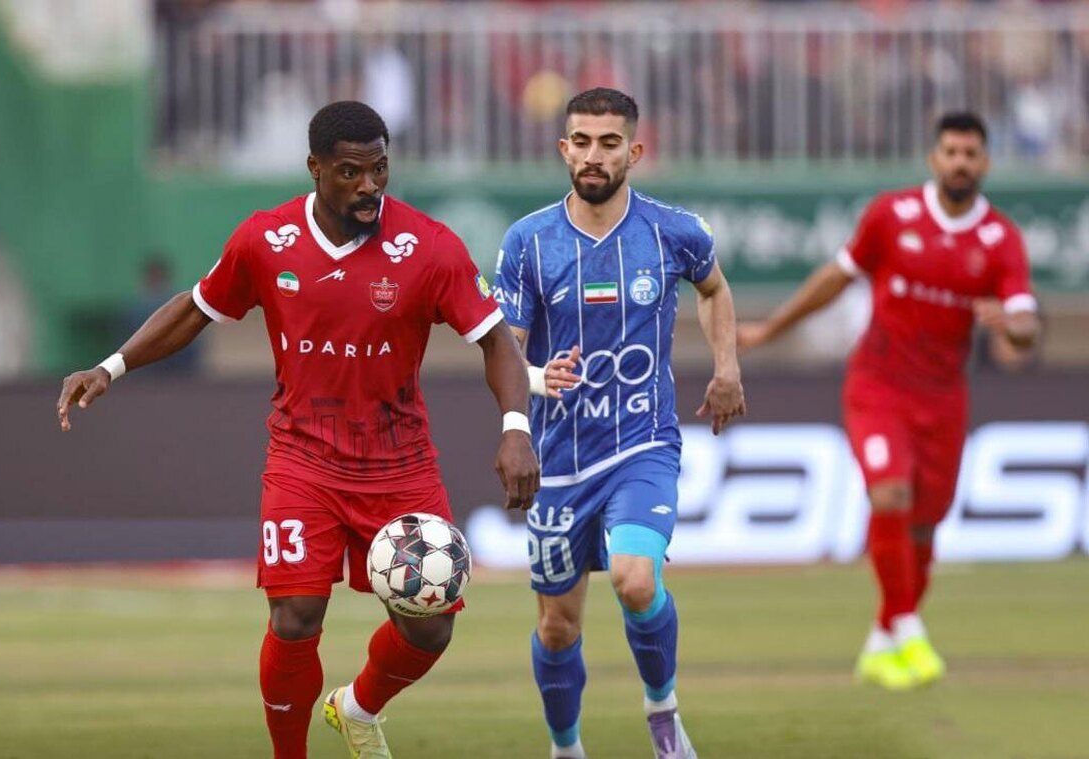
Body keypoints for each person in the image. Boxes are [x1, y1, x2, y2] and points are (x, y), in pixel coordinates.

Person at [57, 101, 540, 759]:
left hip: (399, 462)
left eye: (380, 169)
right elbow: (196, 309)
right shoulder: (266, 239)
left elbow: (496, 341)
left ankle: (357, 707)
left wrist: (515, 428)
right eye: (351, 172)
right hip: (303, 458)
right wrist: (110, 367)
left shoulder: (429, 246)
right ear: (316, 167)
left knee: (429, 628)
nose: (369, 185)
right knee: (294, 616)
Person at [738, 112, 1040, 691]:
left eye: (970, 154)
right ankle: (908, 626)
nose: (959, 162)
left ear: (985, 163)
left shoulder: (1000, 239)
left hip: (944, 399)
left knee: (924, 526)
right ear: (934, 158)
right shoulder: (892, 215)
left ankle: (882, 639)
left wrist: (1012, 324)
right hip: (878, 385)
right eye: (950, 151)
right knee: (889, 493)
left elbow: (1025, 323)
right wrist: (769, 330)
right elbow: (835, 277)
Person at [493, 88, 746, 759]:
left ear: (634, 151)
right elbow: (505, 348)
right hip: (558, 459)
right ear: (563, 149)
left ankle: (662, 710)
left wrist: (727, 367)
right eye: (581, 142)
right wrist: (539, 379)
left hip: (642, 444)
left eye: (609, 143)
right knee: (557, 626)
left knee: (637, 579)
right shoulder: (529, 242)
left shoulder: (673, 232)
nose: (593, 155)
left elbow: (714, 288)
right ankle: (565, 746)